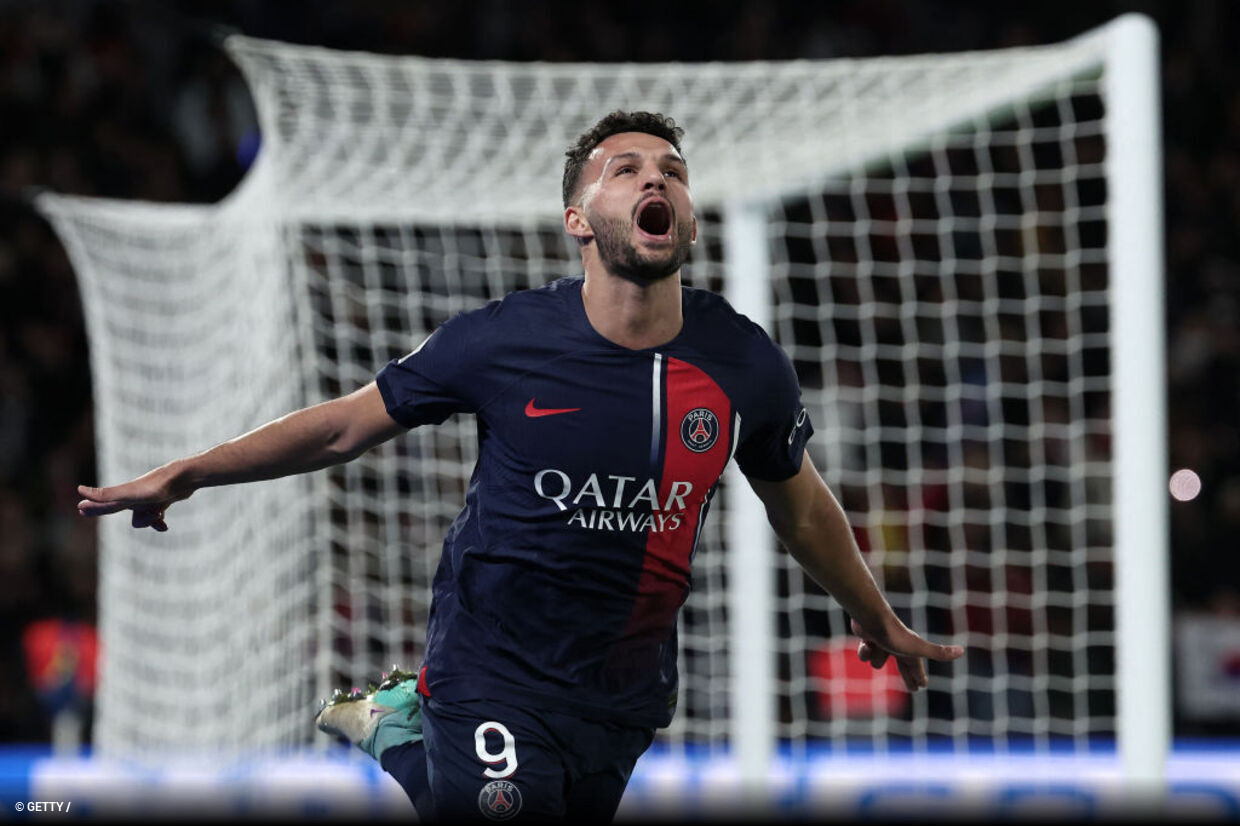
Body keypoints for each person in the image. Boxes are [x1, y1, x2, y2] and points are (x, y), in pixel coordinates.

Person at [77, 111, 965, 822]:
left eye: (673, 171)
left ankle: (401, 737)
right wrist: (191, 471)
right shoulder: (503, 340)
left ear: (688, 220)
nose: (656, 176)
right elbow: (347, 427)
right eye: (626, 168)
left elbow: (800, 506)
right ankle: (418, 728)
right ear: (579, 221)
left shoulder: (743, 363)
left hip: (623, 692)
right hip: (490, 664)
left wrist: (875, 616)